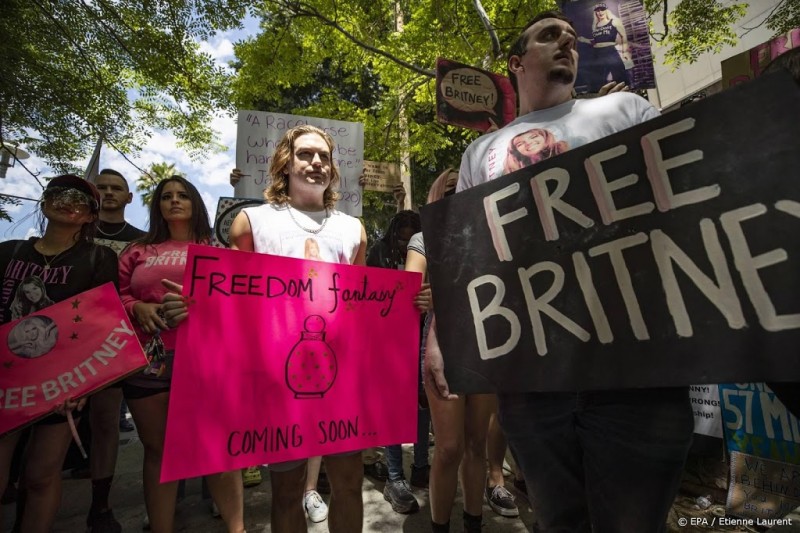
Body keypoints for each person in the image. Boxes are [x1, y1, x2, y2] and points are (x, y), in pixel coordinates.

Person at [425, 11, 694, 532]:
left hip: (636, 374)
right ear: (516, 62)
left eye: (571, 38)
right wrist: (440, 339)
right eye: (550, 36)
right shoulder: (482, 152)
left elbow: (682, 202)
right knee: (559, 521)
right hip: (534, 384)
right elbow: (469, 257)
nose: (567, 43)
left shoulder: (626, 111)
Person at [229, 125, 369, 532]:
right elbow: (231, 303)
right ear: (285, 164)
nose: (316, 162)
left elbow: (363, 304)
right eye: (306, 154)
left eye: (324, 156)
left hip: (341, 379)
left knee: (349, 484)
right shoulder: (250, 222)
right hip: (276, 380)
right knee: (287, 492)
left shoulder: (354, 229)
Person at [119, 176, 244, 533]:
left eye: (182, 196)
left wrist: (201, 306)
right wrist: (136, 307)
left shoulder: (218, 247)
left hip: (208, 362)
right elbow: (116, 295)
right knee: (158, 451)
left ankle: (237, 529)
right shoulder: (137, 250)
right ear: (158, 206)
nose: (174, 201)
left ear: (195, 203)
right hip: (149, 362)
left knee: (215, 449)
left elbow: (239, 299)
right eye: (166, 196)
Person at [0, 174, 119, 533]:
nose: (68, 201)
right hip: (6, 380)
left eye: (81, 199)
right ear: (44, 201)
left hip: (62, 384)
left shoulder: (99, 258)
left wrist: (80, 384)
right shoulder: (8, 252)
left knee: (41, 475)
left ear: (91, 215)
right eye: (59, 193)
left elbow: (101, 325)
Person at [405, 169, 510, 532]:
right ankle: (440, 525)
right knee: (449, 448)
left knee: (476, 444)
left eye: (463, 190)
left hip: (486, 344)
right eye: (448, 192)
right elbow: (412, 291)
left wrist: (445, 292)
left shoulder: (491, 234)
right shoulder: (423, 239)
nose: (456, 197)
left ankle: (473, 522)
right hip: (442, 348)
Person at [85, 168, 146, 532]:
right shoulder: (75, 234)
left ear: (128, 197)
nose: (108, 193)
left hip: (129, 341)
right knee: (91, 424)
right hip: (79, 341)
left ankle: (102, 505)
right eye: (102, 188)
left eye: (116, 188)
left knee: (112, 422)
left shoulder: (142, 242)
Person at [367, 210, 432, 514]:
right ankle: (394, 477)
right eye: (401, 235)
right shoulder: (379, 252)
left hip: (423, 336)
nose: (406, 241)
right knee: (394, 406)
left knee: (423, 403)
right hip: (389, 340)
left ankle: (421, 467)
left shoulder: (429, 247)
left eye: (411, 234)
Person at [577, 2, 631, 91]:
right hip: (597, 53)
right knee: (596, 79)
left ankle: (623, 94)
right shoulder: (595, 25)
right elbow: (596, 41)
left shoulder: (613, 21)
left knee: (620, 76)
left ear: (606, 11)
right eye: (597, 10)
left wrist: (625, 52)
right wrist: (584, 40)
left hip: (610, 51)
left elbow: (623, 36)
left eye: (602, 10)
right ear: (595, 12)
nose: (600, 12)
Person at [503, 127, 569, 174]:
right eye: (520, 144)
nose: (528, 143)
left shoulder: (560, 148)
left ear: (544, 137)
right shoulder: (514, 168)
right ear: (515, 150)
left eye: (533, 137)